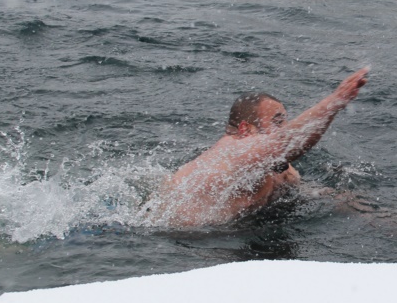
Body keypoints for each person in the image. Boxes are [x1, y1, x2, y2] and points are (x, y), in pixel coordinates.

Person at [145, 67, 369, 228]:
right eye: (277, 122)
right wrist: (336, 100)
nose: (284, 129)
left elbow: (307, 191)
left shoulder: (273, 167)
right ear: (245, 129)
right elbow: (287, 143)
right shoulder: (231, 152)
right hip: (181, 242)